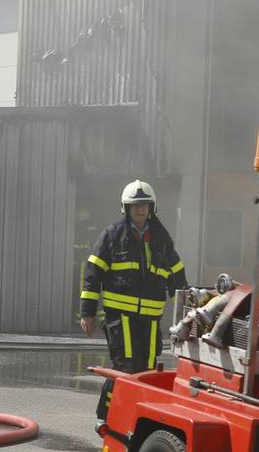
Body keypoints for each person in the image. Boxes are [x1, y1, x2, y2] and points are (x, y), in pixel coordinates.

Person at [80, 179, 188, 420]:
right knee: (126, 368)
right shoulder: (112, 235)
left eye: (144, 205)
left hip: (150, 319)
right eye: (134, 205)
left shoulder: (161, 237)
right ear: (125, 208)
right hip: (121, 317)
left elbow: (177, 273)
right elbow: (92, 273)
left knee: (148, 370)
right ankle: (106, 417)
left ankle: (136, 416)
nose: (140, 209)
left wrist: (187, 312)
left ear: (152, 208)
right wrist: (87, 313)